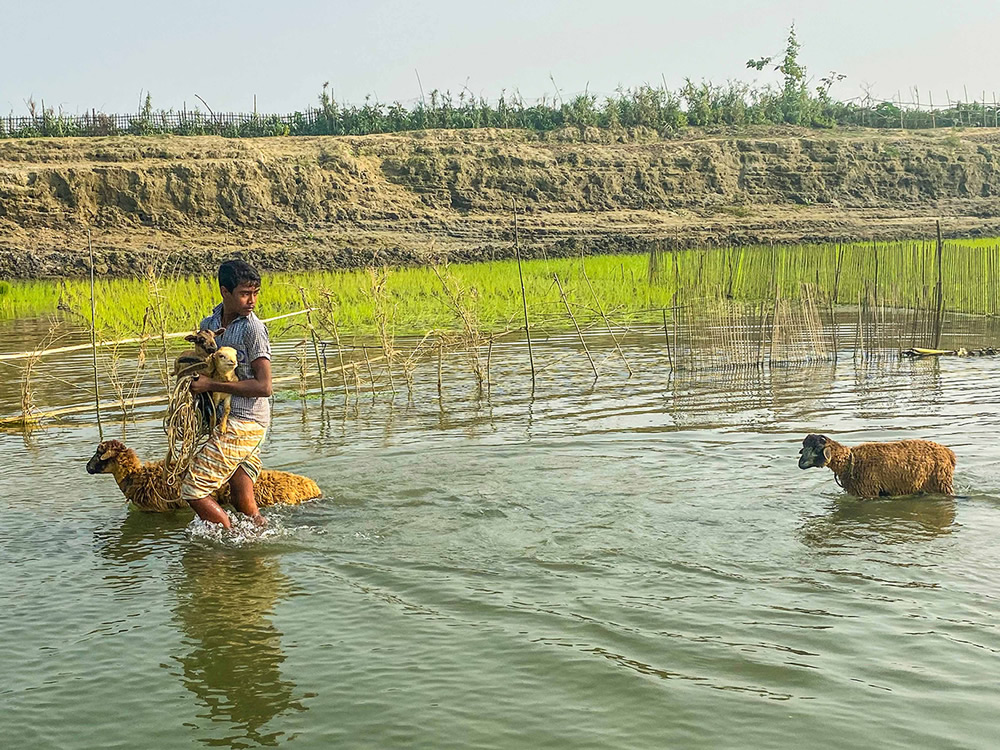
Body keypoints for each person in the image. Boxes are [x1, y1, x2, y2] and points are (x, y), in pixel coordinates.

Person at [179, 259, 273, 529]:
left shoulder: (252, 329)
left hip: (246, 420)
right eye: (245, 293)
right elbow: (203, 364)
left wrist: (210, 386)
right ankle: (257, 535)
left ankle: (230, 540)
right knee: (241, 496)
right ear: (225, 291)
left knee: (193, 489)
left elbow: (264, 387)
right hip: (223, 417)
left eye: (255, 293)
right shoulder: (210, 323)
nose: (252, 300)